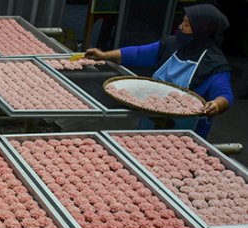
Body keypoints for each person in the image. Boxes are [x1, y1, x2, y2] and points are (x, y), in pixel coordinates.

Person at [86, 3, 233, 138]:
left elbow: (224, 94)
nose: (181, 27)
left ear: (203, 31)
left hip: (185, 132)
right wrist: (104, 55)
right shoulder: (173, 44)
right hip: (151, 117)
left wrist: (217, 104)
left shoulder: (213, 63)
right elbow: (138, 53)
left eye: (187, 25)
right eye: (182, 21)